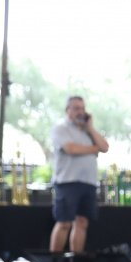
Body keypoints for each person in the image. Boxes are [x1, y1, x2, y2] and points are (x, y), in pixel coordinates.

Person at [49, 95, 108, 253]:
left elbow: (104, 147)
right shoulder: (61, 128)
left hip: (88, 183)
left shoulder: (89, 132)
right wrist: (94, 149)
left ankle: (76, 261)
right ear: (67, 110)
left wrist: (91, 127)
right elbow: (71, 149)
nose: (81, 112)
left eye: (82, 108)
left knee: (82, 222)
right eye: (76, 108)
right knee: (64, 222)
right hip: (67, 182)